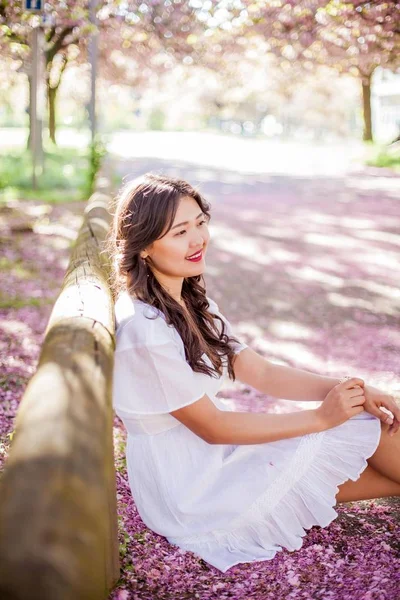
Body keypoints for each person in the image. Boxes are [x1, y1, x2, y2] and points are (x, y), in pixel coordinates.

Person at [108, 173, 400, 573]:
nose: (198, 239)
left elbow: (259, 372)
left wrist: (354, 388)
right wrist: (321, 417)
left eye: (200, 222)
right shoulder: (145, 332)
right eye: (180, 232)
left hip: (219, 460)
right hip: (196, 490)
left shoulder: (188, 301)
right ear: (143, 246)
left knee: (382, 442)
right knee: (378, 432)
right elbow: (213, 427)